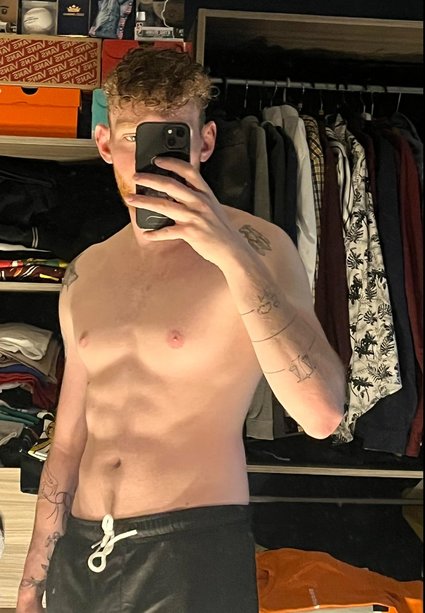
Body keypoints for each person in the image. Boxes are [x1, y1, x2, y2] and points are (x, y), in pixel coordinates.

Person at [16, 48, 345, 613]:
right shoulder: (86, 270)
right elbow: (68, 442)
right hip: (80, 552)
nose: (148, 160)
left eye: (171, 137)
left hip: (191, 551)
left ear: (204, 143)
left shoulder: (261, 248)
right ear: (104, 144)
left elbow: (322, 415)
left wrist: (230, 254)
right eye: (133, 137)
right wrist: (30, 586)